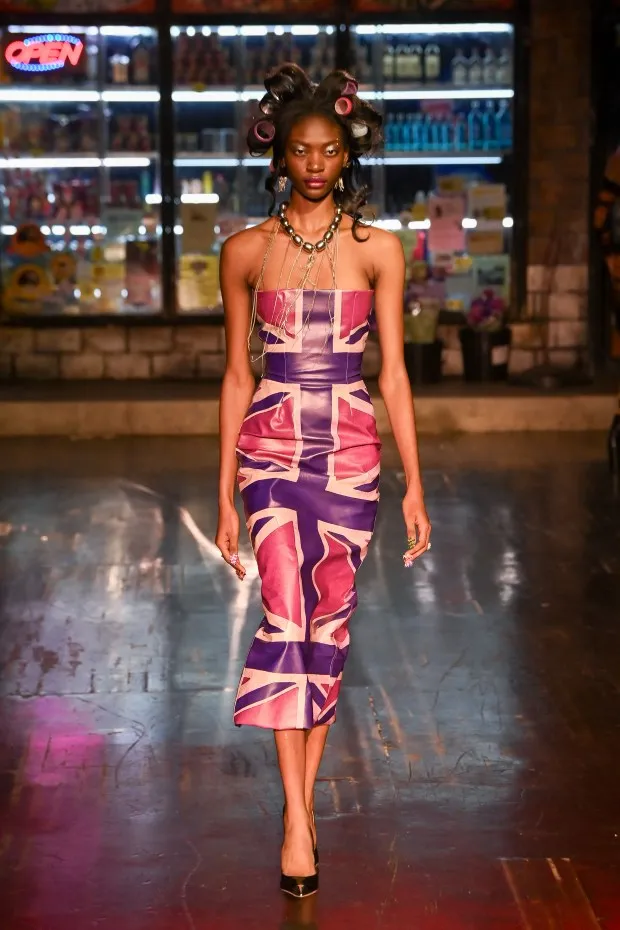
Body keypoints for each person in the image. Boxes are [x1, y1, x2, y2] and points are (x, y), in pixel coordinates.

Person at [216, 63, 431, 898]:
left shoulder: (380, 252)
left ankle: (297, 807)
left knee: (327, 631)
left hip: (349, 457)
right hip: (270, 454)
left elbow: (395, 377)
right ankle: (299, 821)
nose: (314, 164)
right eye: (301, 150)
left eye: (329, 151)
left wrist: (415, 483)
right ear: (281, 155)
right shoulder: (244, 251)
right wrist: (224, 490)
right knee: (284, 618)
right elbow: (236, 376)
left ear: (347, 157)